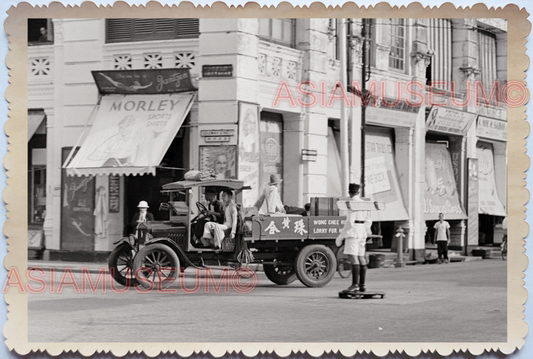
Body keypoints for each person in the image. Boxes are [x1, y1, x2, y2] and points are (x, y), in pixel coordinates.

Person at [335, 183, 372, 293]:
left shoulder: (352, 204)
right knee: (361, 257)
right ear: (359, 192)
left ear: (349, 192)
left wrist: (341, 236)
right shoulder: (365, 204)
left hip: (353, 233)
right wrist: (366, 230)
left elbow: (350, 222)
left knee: (353, 258)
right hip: (362, 233)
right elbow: (369, 220)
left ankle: (355, 284)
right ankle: (362, 285)